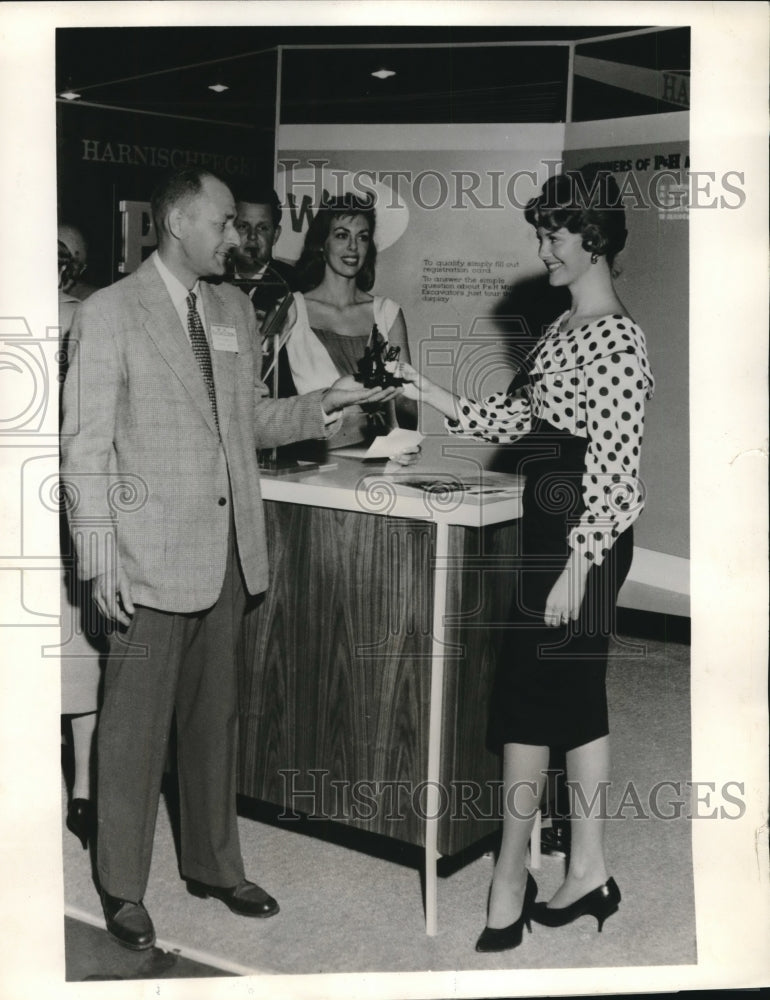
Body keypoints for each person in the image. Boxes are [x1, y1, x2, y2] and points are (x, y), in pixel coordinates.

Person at [60, 166, 401, 951]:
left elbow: (246, 421)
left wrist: (323, 406)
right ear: (178, 223)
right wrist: (100, 551)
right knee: (133, 732)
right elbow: (83, 446)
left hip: (225, 552)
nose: (240, 237)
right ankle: (120, 885)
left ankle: (214, 864)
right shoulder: (111, 313)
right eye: (224, 223)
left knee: (214, 722)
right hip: (145, 557)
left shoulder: (234, 309)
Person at [390, 168, 654, 952]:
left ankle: (510, 879)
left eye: (554, 236)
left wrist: (579, 565)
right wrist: (425, 390)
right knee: (572, 700)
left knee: (530, 707)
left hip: (584, 535)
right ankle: (589, 868)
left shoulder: (616, 337)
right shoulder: (562, 329)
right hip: (551, 526)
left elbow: (616, 467)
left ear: (593, 237)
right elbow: (511, 419)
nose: (544, 252)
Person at [285, 193, 418, 453]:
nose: (353, 247)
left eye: (362, 237)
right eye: (342, 235)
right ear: (321, 244)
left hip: (376, 468)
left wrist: (405, 452)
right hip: (310, 466)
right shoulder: (291, 309)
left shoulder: (387, 313)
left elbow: (406, 403)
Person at [58, 236, 106, 851]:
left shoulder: (90, 317)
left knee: (81, 652)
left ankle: (86, 788)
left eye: (69, 252)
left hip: (70, 497)